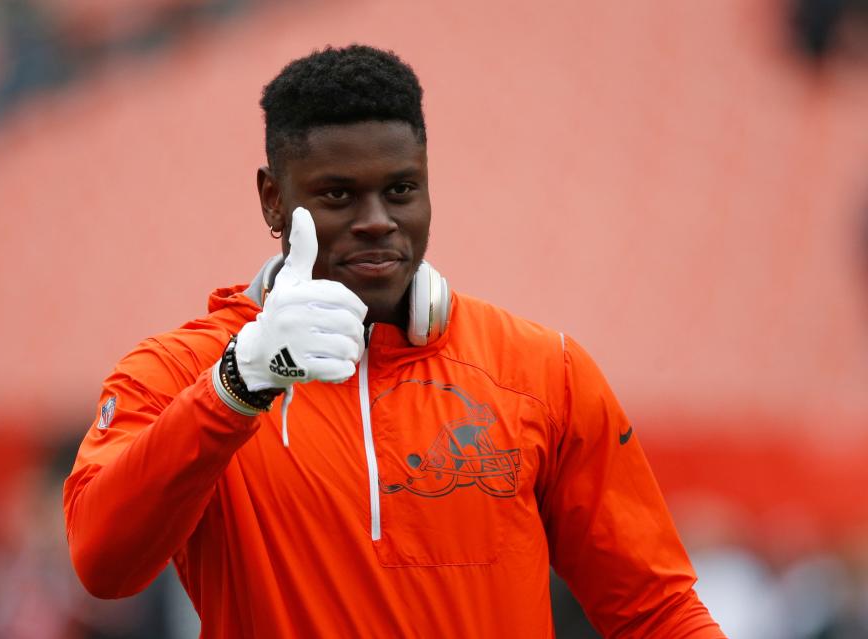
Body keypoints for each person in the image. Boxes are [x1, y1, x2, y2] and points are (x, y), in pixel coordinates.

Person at [64, 45, 726, 638]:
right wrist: (236, 387)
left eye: (401, 190)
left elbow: (656, 612)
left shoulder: (541, 370)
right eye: (339, 195)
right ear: (272, 199)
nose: (377, 221)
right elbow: (103, 563)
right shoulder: (181, 372)